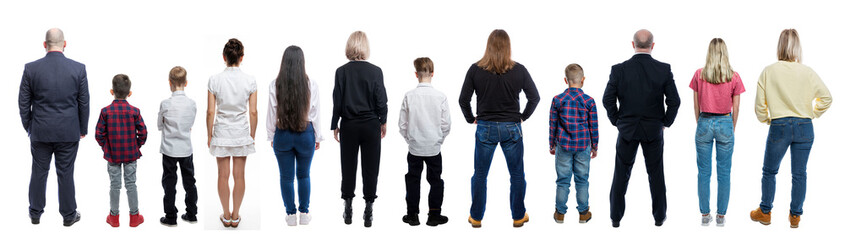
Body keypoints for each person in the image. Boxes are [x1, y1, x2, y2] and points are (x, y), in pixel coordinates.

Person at [750, 29, 832, 228]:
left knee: (769, 171)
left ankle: (765, 212)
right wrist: (811, 114)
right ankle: (795, 216)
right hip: (805, 126)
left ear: (780, 45)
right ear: (797, 47)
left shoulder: (768, 71)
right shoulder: (807, 72)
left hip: (779, 125)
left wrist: (767, 119)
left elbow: (760, 107)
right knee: (799, 173)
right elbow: (827, 98)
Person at [459, 29, 541, 228]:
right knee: (517, 175)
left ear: (488, 46)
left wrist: (471, 119)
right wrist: (522, 117)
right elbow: (534, 97)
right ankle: (518, 216)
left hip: (485, 127)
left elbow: (463, 100)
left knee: (479, 174)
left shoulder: (475, 69)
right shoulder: (519, 70)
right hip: (511, 128)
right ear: (508, 47)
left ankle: (476, 217)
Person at [603, 29, 680, 228]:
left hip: (627, 130)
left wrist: (617, 121)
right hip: (653, 130)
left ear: (633, 44)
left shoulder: (619, 70)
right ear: (652, 46)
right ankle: (659, 218)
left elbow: (607, 99)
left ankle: (615, 218)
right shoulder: (663, 69)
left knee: (621, 174)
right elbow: (675, 101)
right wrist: (665, 123)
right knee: (656, 175)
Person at [19, 28, 88, 227]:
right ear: (64, 44)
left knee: (39, 172)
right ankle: (68, 215)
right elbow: (84, 103)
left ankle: (35, 213)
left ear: (44, 44)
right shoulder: (78, 69)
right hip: (68, 131)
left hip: (40, 131)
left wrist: (30, 127)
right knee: (65, 172)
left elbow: (23, 103)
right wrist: (82, 129)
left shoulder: (31, 69)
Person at [331, 31, 388, 228]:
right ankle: (369, 209)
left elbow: (337, 100)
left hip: (349, 125)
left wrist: (334, 124)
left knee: (348, 167)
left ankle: (348, 207)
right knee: (371, 168)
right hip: (371, 124)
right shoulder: (376, 71)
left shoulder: (341, 72)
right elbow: (381, 99)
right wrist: (384, 120)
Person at [689, 38, 745, 227]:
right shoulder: (734, 76)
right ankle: (721, 217)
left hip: (704, 121)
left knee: (703, 173)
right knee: (724, 173)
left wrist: (700, 122)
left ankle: (705, 215)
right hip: (725, 122)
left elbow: (695, 104)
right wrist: (732, 127)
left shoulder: (699, 74)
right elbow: (736, 107)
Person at [267, 45, 323, 226]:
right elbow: (315, 113)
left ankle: (291, 215)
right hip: (305, 133)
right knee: (304, 175)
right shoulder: (311, 84)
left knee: (286, 177)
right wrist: (317, 136)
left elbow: (272, 112)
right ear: (302, 63)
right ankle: (304, 213)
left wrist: (271, 136)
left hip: (282, 134)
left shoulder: (275, 84)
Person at [207, 38, 258, 228]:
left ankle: (226, 214)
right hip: (241, 131)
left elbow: (210, 111)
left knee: (222, 175)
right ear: (242, 57)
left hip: (221, 130)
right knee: (239, 175)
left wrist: (209, 134)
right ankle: (236, 216)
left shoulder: (214, 80)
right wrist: (252, 134)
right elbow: (253, 111)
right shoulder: (250, 80)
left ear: (224, 57)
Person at [398, 57, 451, 227]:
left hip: (414, 147)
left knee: (413, 179)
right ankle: (434, 214)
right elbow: (446, 124)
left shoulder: (409, 96)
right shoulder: (440, 96)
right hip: (434, 147)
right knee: (436, 180)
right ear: (433, 74)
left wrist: (410, 140)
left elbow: (402, 125)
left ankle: (412, 215)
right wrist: (439, 140)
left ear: (416, 74)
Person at [95, 74, 148, 228]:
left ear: (112, 91)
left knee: (114, 185)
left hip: (112, 155)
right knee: (131, 184)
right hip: (131, 154)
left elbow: (98, 134)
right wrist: (136, 145)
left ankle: (114, 217)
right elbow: (143, 132)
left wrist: (106, 147)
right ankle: (134, 217)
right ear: (129, 93)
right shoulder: (134, 111)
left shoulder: (105, 111)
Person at [549, 63, 598, 224]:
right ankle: (583, 213)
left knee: (563, 180)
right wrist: (595, 146)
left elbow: (552, 124)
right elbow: (593, 126)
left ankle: (560, 214)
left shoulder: (558, 100)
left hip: (563, 145)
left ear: (566, 80)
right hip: (583, 145)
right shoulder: (589, 101)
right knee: (582, 180)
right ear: (583, 80)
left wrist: (552, 144)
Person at [158, 66, 199, 226]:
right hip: (186, 149)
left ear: (169, 83)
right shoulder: (192, 104)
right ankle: (191, 213)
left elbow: (159, 126)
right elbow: (190, 125)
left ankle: (170, 216)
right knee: (189, 181)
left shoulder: (165, 104)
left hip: (169, 149)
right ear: (186, 83)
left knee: (169, 182)